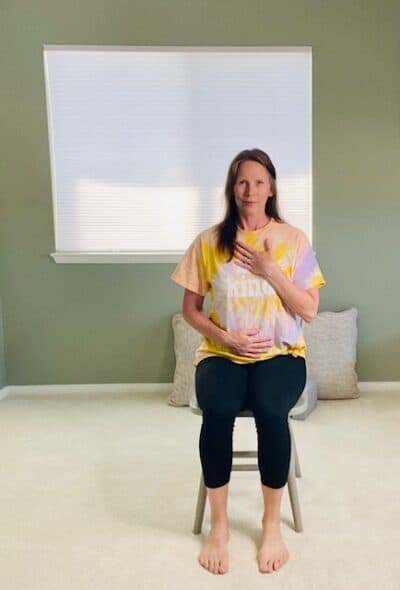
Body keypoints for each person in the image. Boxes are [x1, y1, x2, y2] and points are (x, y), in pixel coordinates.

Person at [171, 148, 326, 575]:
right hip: (222, 353)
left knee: (271, 412)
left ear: (272, 187)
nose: (250, 190)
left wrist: (269, 269)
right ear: (231, 188)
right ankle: (219, 527)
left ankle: (270, 523)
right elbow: (190, 310)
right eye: (242, 181)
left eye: (259, 181)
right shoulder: (208, 242)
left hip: (281, 355)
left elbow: (309, 310)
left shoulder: (293, 240)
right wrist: (224, 336)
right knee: (217, 411)